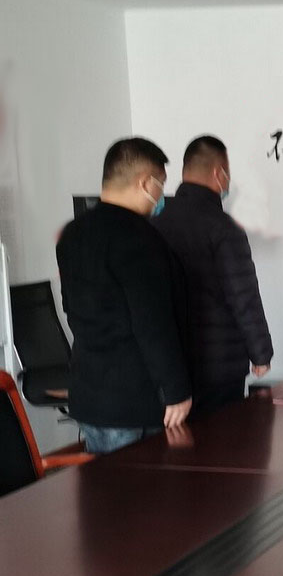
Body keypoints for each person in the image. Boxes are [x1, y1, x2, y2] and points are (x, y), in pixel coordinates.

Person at [56, 138, 191, 454]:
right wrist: (176, 390)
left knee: (103, 484)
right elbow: (153, 323)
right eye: (160, 184)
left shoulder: (72, 233)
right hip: (133, 401)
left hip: (89, 393)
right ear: (145, 182)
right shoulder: (139, 237)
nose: (161, 194)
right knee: (142, 485)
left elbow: (70, 307)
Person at [153, 136, 272, 415]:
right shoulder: (224, 228)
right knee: (220, 439)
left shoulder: (156, 223)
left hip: (170, 365)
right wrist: (261, 353)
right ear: (219, 174)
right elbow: (243, 297)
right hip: (219, 366)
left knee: (178, 440)